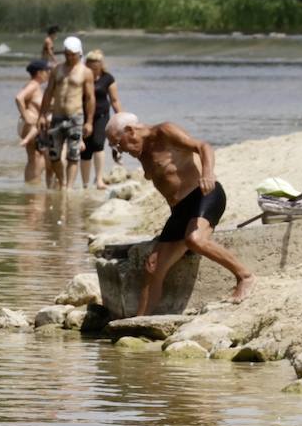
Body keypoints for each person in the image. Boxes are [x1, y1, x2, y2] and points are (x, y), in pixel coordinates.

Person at [106, 113, 256, 315]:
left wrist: (207, 173)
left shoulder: (164, 132)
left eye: (117, 144)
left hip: (204, 195)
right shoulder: (142, 153)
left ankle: (244, 276)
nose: (120, 150)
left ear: (130, 131)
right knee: (152, 267)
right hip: (179, 211)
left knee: (195, 239)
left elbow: (203, 146)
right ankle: (138, 322)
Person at [39, 35, 94, 189]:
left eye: (73, 55)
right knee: (54, 155)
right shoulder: (57, 69)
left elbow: (90, 98)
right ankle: (62, 181)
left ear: (79, 53)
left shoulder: (85, 72)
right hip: (56, 116)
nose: (70, 57)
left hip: (75, 117)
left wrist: (89, 122)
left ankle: (68, 187)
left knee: (73, 154)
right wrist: (42, 115)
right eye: (67, 54)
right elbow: (48, 92)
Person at [80, 49, 123, 190]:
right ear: (86, 64)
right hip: (83, 116)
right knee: (85, 149)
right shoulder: (82, 77)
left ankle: (99, 180)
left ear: (101, 65)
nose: (94, 70)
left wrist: (121, 118)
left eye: (96, 67)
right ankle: (85, 184)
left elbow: (114, 100)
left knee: (98, 144)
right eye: (91, 67)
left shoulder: (108, 78)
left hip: (102, 116)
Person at [15, 60, 51, 185]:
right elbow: (19, 97)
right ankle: (33, 185)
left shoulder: (35, 85)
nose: (49, 73)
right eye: (47, 71)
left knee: (35, 156)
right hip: (30, 125)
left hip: (31, 125)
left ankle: (32, 185)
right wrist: (26, 116)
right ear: (39, 73)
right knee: (36, 158)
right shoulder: (34, 85)